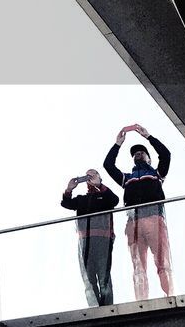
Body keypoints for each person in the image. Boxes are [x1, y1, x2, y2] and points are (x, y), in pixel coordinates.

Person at [103, 123, 174, 300]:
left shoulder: (157, 174)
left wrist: (148, 137)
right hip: (133, 223)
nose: (137, 154)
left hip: (154, 218)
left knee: (162, 262)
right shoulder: (126, 178)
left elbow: (165, 154)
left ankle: (170, 298)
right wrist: (118, 144)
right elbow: (108, 165)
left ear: (149, 158)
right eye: (135, 153)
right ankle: (142, 303)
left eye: (141, 152)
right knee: (138, 266)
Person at [61, 169, 119, 307]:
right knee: (88, 277)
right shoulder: (82, 199)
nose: (90, 177)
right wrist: (69, 189)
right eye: (87, 175)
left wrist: (99, 185)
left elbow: (114, 200)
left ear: (99, 178)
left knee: (104, 276)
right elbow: (66, 204)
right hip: (85, 241)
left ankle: (108, 307)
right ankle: (95, 307)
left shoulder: (105, 196)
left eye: (93, 174)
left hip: (103, 240)